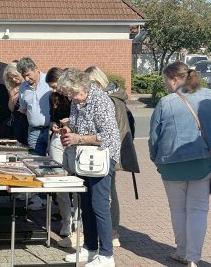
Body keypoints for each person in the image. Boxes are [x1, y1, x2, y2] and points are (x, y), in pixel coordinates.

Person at [149, 61, 211, 267]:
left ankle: (182, 251)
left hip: (171, 163)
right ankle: (193, 258)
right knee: (198, 210)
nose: (166, 84)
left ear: (175, 80)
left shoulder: (166, 102)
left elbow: (154, 138)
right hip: (203, 161)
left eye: (166, 80)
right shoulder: (209, 96)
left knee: (177, 209)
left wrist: (155, 159)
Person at [58, 68, 120, 267]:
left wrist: (80, 138)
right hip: (84, 158)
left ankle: (107, 255)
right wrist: (68, 130)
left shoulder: (101, 101)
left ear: (83, 87)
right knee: (85, 204)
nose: (71, 97)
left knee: (99, 205)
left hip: (102, 157)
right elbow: (76, 125)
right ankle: (90, 247)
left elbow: (108, 135)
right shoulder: (78, 101)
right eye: (68, 94)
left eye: (72, 93)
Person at [85, 66, 140, 247]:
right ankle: (112, 230)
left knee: (107, 192)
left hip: (108, 151)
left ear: (98, 83)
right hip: (114, 150)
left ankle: (112, 231)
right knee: (109, 191)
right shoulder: (116, 98)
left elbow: (111, 130)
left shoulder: (108, 100)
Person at [45, 67, 79, 246]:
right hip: (58, 139)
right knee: (59, 181)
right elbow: (52, 117)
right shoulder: (53, 97)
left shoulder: (73, 95)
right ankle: (66, 220)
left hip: (74, 140)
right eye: (51, 87)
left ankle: (77, 219)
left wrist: (70, 122)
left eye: (55, 86)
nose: (54, 90)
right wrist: (53, 125)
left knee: (76, 181)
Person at [17, 57, 52, 156]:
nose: (26, 79)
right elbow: (23, 109)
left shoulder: (48, 81)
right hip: (33, 132)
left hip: (50, 130)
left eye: (28, 75)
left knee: (53, 162)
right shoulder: (23, 87)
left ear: (36, 68)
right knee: (34, 161)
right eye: (24, 76)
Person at [3, 61, 29, 145]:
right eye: (11, 78)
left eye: (15, 76)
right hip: (17, 122)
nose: (14, 80)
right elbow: (11, 108)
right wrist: (11, 96)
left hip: (28, 121)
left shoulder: (28, 85)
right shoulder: (13, 87)